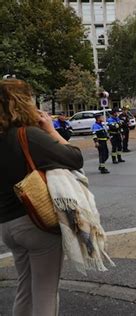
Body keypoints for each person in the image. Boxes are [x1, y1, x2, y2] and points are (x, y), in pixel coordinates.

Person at [0, 78, 84, 315]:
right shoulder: (28, 135)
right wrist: (51, 130)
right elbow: (75, 158)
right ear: (23, 103)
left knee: (25, 287)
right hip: (35, 222)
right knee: (46, 291)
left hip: (7, 225)